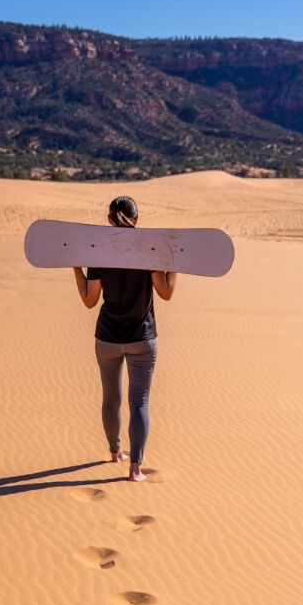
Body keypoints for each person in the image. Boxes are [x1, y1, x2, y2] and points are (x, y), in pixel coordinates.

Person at [73, 196, 176, 481]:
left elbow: (89, 300)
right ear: (138, 220)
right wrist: (175, 265)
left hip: (106, 338)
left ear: (108, 220)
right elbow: (165, 292)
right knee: (139, 400)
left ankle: (115, 452)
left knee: (110, 397)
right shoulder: (149, 252)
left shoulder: (99, 253)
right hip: (141, 338)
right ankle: (135, 469)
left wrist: (75, 268)